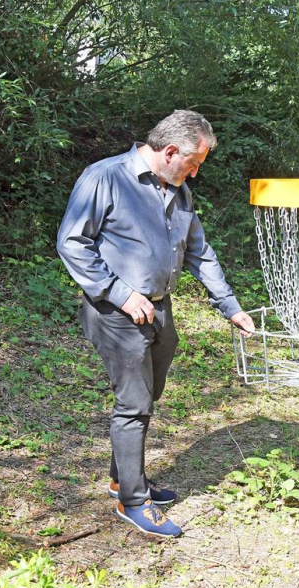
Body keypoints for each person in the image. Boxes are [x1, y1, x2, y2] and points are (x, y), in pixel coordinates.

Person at [57, 110, 255, 539]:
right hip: (116, 310)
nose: (196, 172)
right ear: (170, 151)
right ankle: (132, 501)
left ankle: (121, 478)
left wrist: (230, 306)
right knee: (134, 403)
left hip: (159, 310)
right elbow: (72, 243)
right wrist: (122, 294)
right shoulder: (105, 177)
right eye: (194, 162)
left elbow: (199, 251)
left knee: (147, 398)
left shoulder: (177, 190)